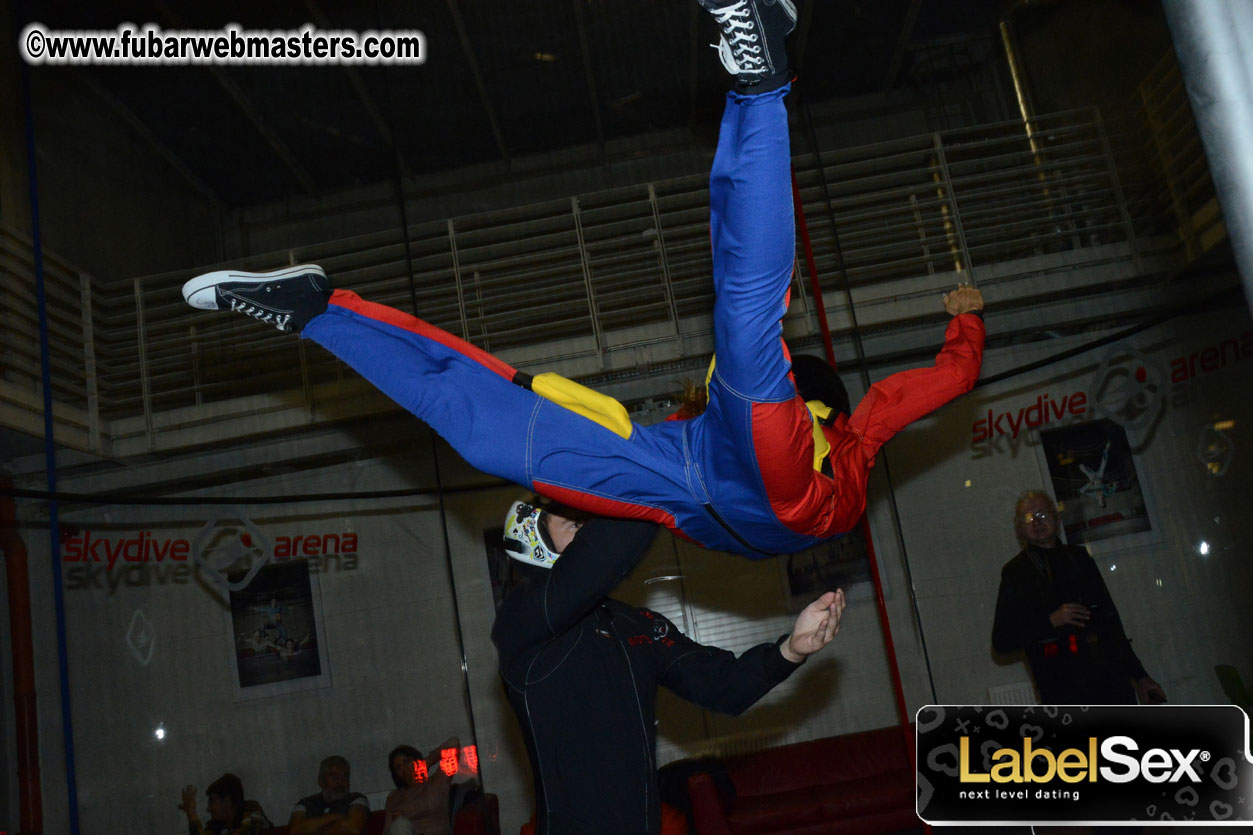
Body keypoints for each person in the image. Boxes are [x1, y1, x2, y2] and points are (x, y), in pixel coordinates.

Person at [180, 0, 984, 558]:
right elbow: (935, 383)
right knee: (738, 316)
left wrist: (965, 329)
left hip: (706, 496)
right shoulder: (828, 433)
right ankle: (758, 79)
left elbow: (923, 388)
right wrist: (966, 322)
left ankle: (317, 310)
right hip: (713, 476)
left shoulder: (843, 438)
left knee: (493, 440)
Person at [493, 496, 845, 833]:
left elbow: (722, 687)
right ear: (534, 543)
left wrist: (790, 649)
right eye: (575, 525)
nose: (589, 531)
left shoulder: (632, 623)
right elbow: (604, 550)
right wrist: (650, 483)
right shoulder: (522, 621)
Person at [991, 490, 1167, 705]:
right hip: (1063, 690)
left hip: (1111, 680)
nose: (1037, 522)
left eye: (1042, 514)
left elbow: (1110, 622)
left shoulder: (1079, 558)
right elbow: (1002, 641)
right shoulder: (1015, 572)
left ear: (1057, 518)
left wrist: (1141, 676)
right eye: (1028, 518)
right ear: (1020, 528)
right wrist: (1051, 621)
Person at [382, 739, 463, 835]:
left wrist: (427, 762)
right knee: (400, 824)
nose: (404, 768)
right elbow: (386, 832)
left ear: (416, 759)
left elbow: (454, 744)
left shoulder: (438, 781)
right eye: (398, 767)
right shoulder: (393, 797)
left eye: (407, 761)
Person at [286, 756, 369, 835]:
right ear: (321, 780)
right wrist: (333, 817)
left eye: (345, 776)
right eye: (334, 777)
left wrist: (311, 828)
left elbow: (353, 828)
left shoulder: (356, 799)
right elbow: (295, 830)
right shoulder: (305, 804)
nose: (340, 781)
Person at [179, 774, 272, 835]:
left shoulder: (253, 817)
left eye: (212, 801)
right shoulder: (218, 825)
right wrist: (191, 812)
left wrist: (192, 813)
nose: (209, 808)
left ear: (227, 800)